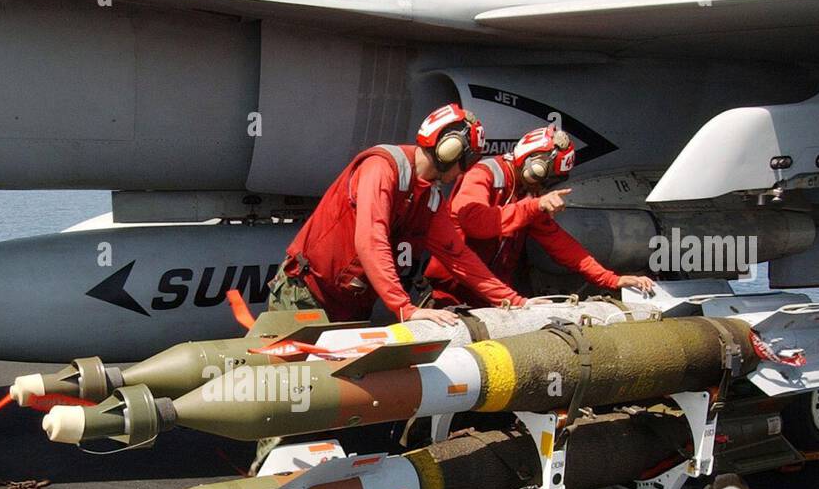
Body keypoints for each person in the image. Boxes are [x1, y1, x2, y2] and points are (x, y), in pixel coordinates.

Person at [266, 103, 526, 326]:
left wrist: (513, 300)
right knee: (284, 378)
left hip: (351, 307)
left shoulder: (430, 198)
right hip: (306, 296)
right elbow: (371, 240)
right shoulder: (381, 169)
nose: (465, 172)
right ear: (450, 150)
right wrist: (405, 308)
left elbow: (458, 257)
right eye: (466, 161)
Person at [426, 125, 656, 305]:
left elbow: (562, 245)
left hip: (488, 298)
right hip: (447, 296)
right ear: (532, 164)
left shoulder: (528, 194)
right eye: (544, 177)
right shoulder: (484, 175)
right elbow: (475, 222)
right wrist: (534, 206)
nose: (544, 186)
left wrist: (611, 279)